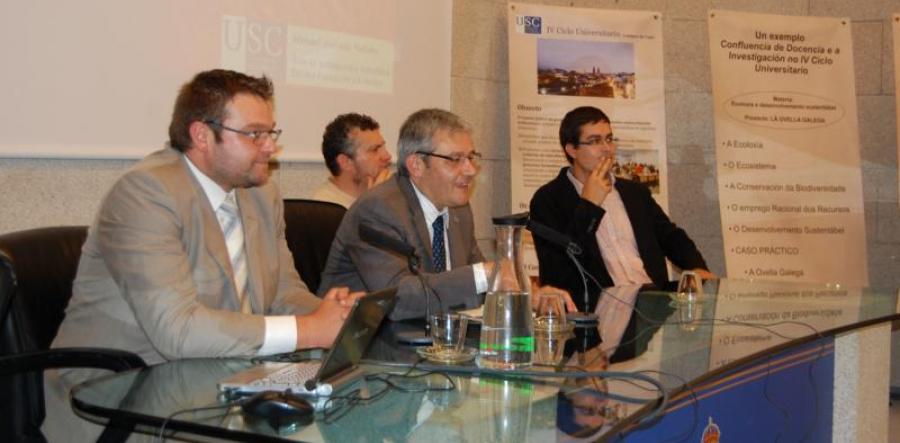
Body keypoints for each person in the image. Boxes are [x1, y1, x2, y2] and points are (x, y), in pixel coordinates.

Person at [43, 69, 359, 440]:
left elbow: (281, 293)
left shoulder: (261, 193)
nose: (270, 147)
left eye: (270, 133)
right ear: (202, 135)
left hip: (221, 383)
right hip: (125, 399)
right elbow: (176, 330)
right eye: (255, 133)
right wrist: (308, 330)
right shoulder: (147, 193)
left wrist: (338, 318)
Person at [318, 108, 575, 320]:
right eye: (455, 159)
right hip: (368, 350)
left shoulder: (459, 209)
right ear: (417, 165)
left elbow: (474, 286)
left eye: (471, 157)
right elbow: (398, 300)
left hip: (432, 347)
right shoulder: (377, 209)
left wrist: (531, 295)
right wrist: (485, 274)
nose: (471, 170)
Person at [529, 106, 713, 313]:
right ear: (571, 149)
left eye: (609, 139)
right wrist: (589, 205)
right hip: (597, 310)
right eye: (595, 141)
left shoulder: (634, 192)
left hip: (652, 303)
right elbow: (559, 268)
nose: (607, 148)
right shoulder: (548, 199)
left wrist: (696, 268)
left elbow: (671, 236)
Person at [312, 113, 392, 208]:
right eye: (374, 150)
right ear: (345, 162)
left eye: (383, 147)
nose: (387, 156)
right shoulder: (326, 209)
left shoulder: (395, 193)